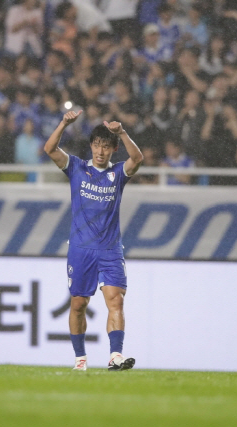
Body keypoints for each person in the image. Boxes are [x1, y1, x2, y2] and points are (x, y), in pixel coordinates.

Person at [43, 109, 143, 372]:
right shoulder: (76, 167)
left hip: (110, 249)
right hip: (81, 248)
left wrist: (121, 131)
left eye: (106, 147)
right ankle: (80, 360)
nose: (100, 152)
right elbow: (50, 148)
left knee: (116, 300)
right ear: (91, 146)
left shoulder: (119, 174)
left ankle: (115, 356)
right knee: (78, 304)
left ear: (113, 150)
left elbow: (138, 158)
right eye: (97, 146)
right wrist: (64, 123)